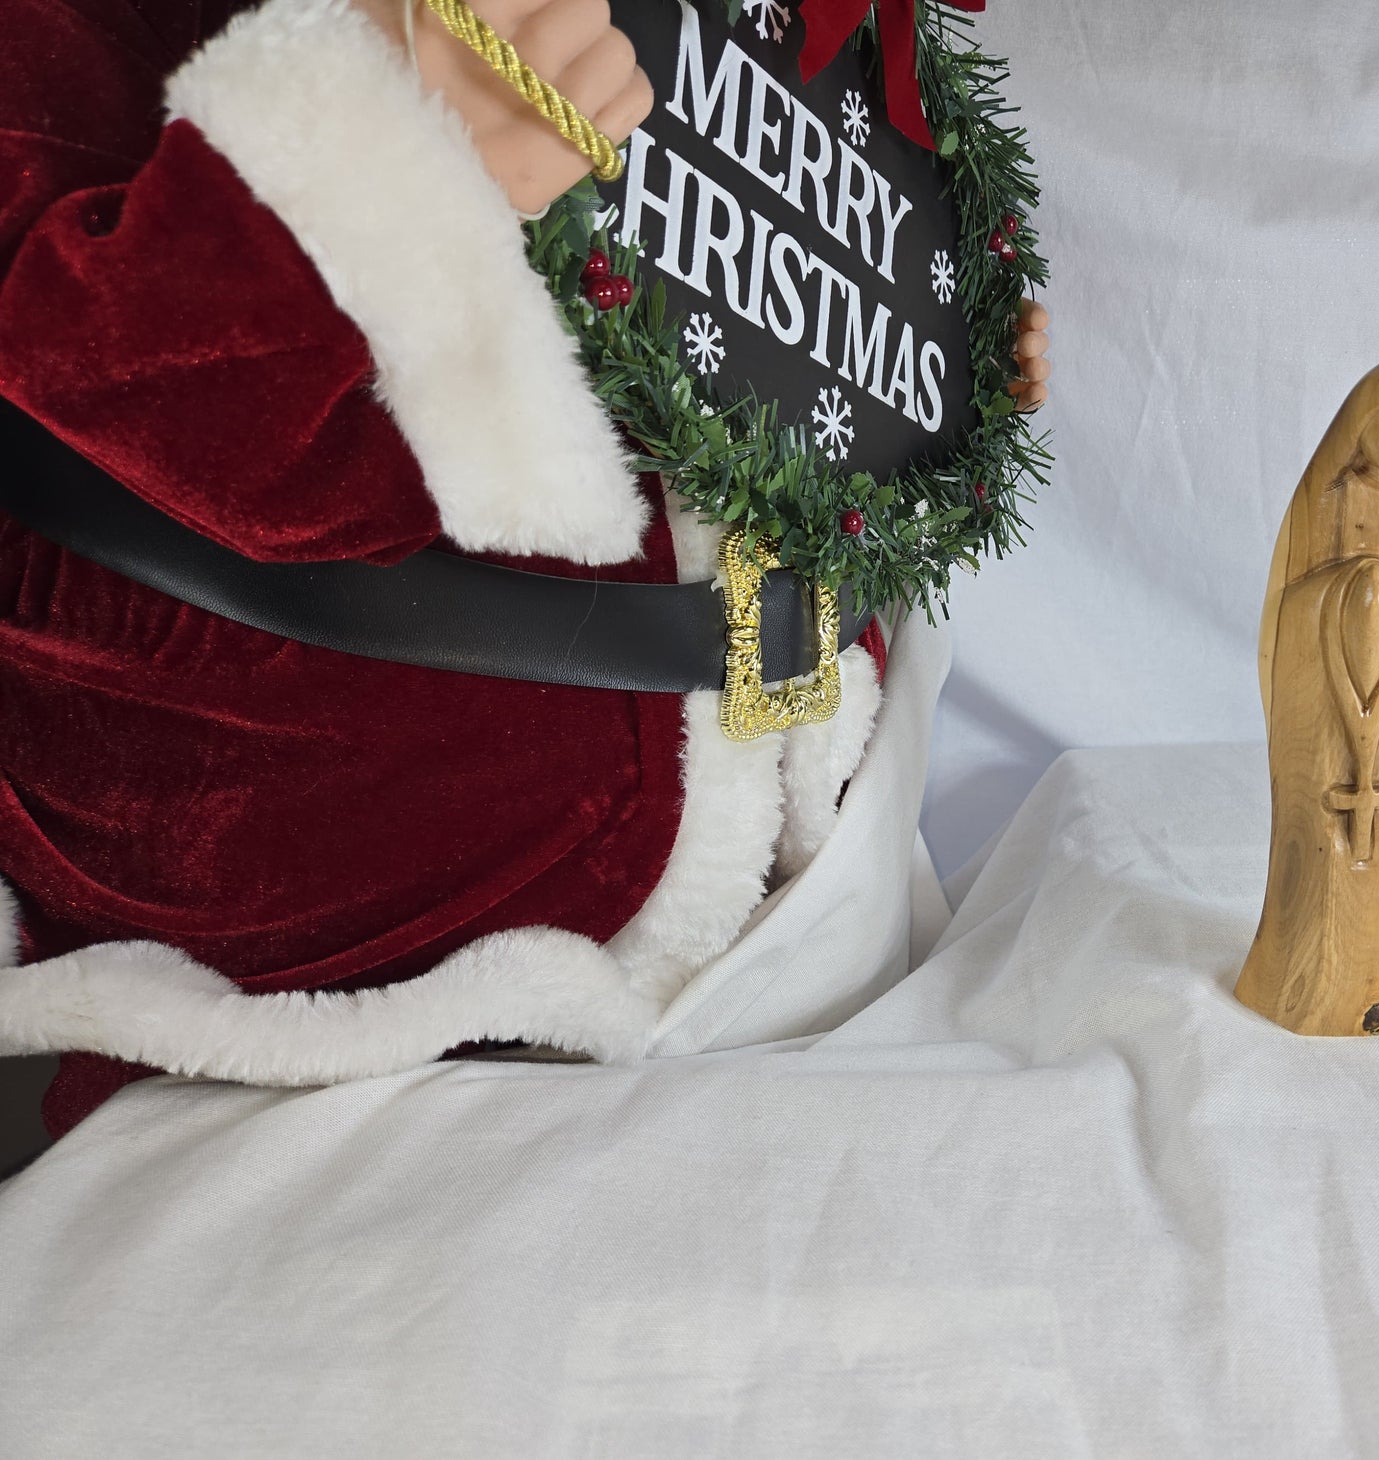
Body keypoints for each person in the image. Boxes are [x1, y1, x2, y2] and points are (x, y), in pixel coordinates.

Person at [0, 0, 1051, 1135]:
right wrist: (377, 169)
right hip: (327, 1017)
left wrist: (918, 354)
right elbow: (87, 386)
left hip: (822, 903)